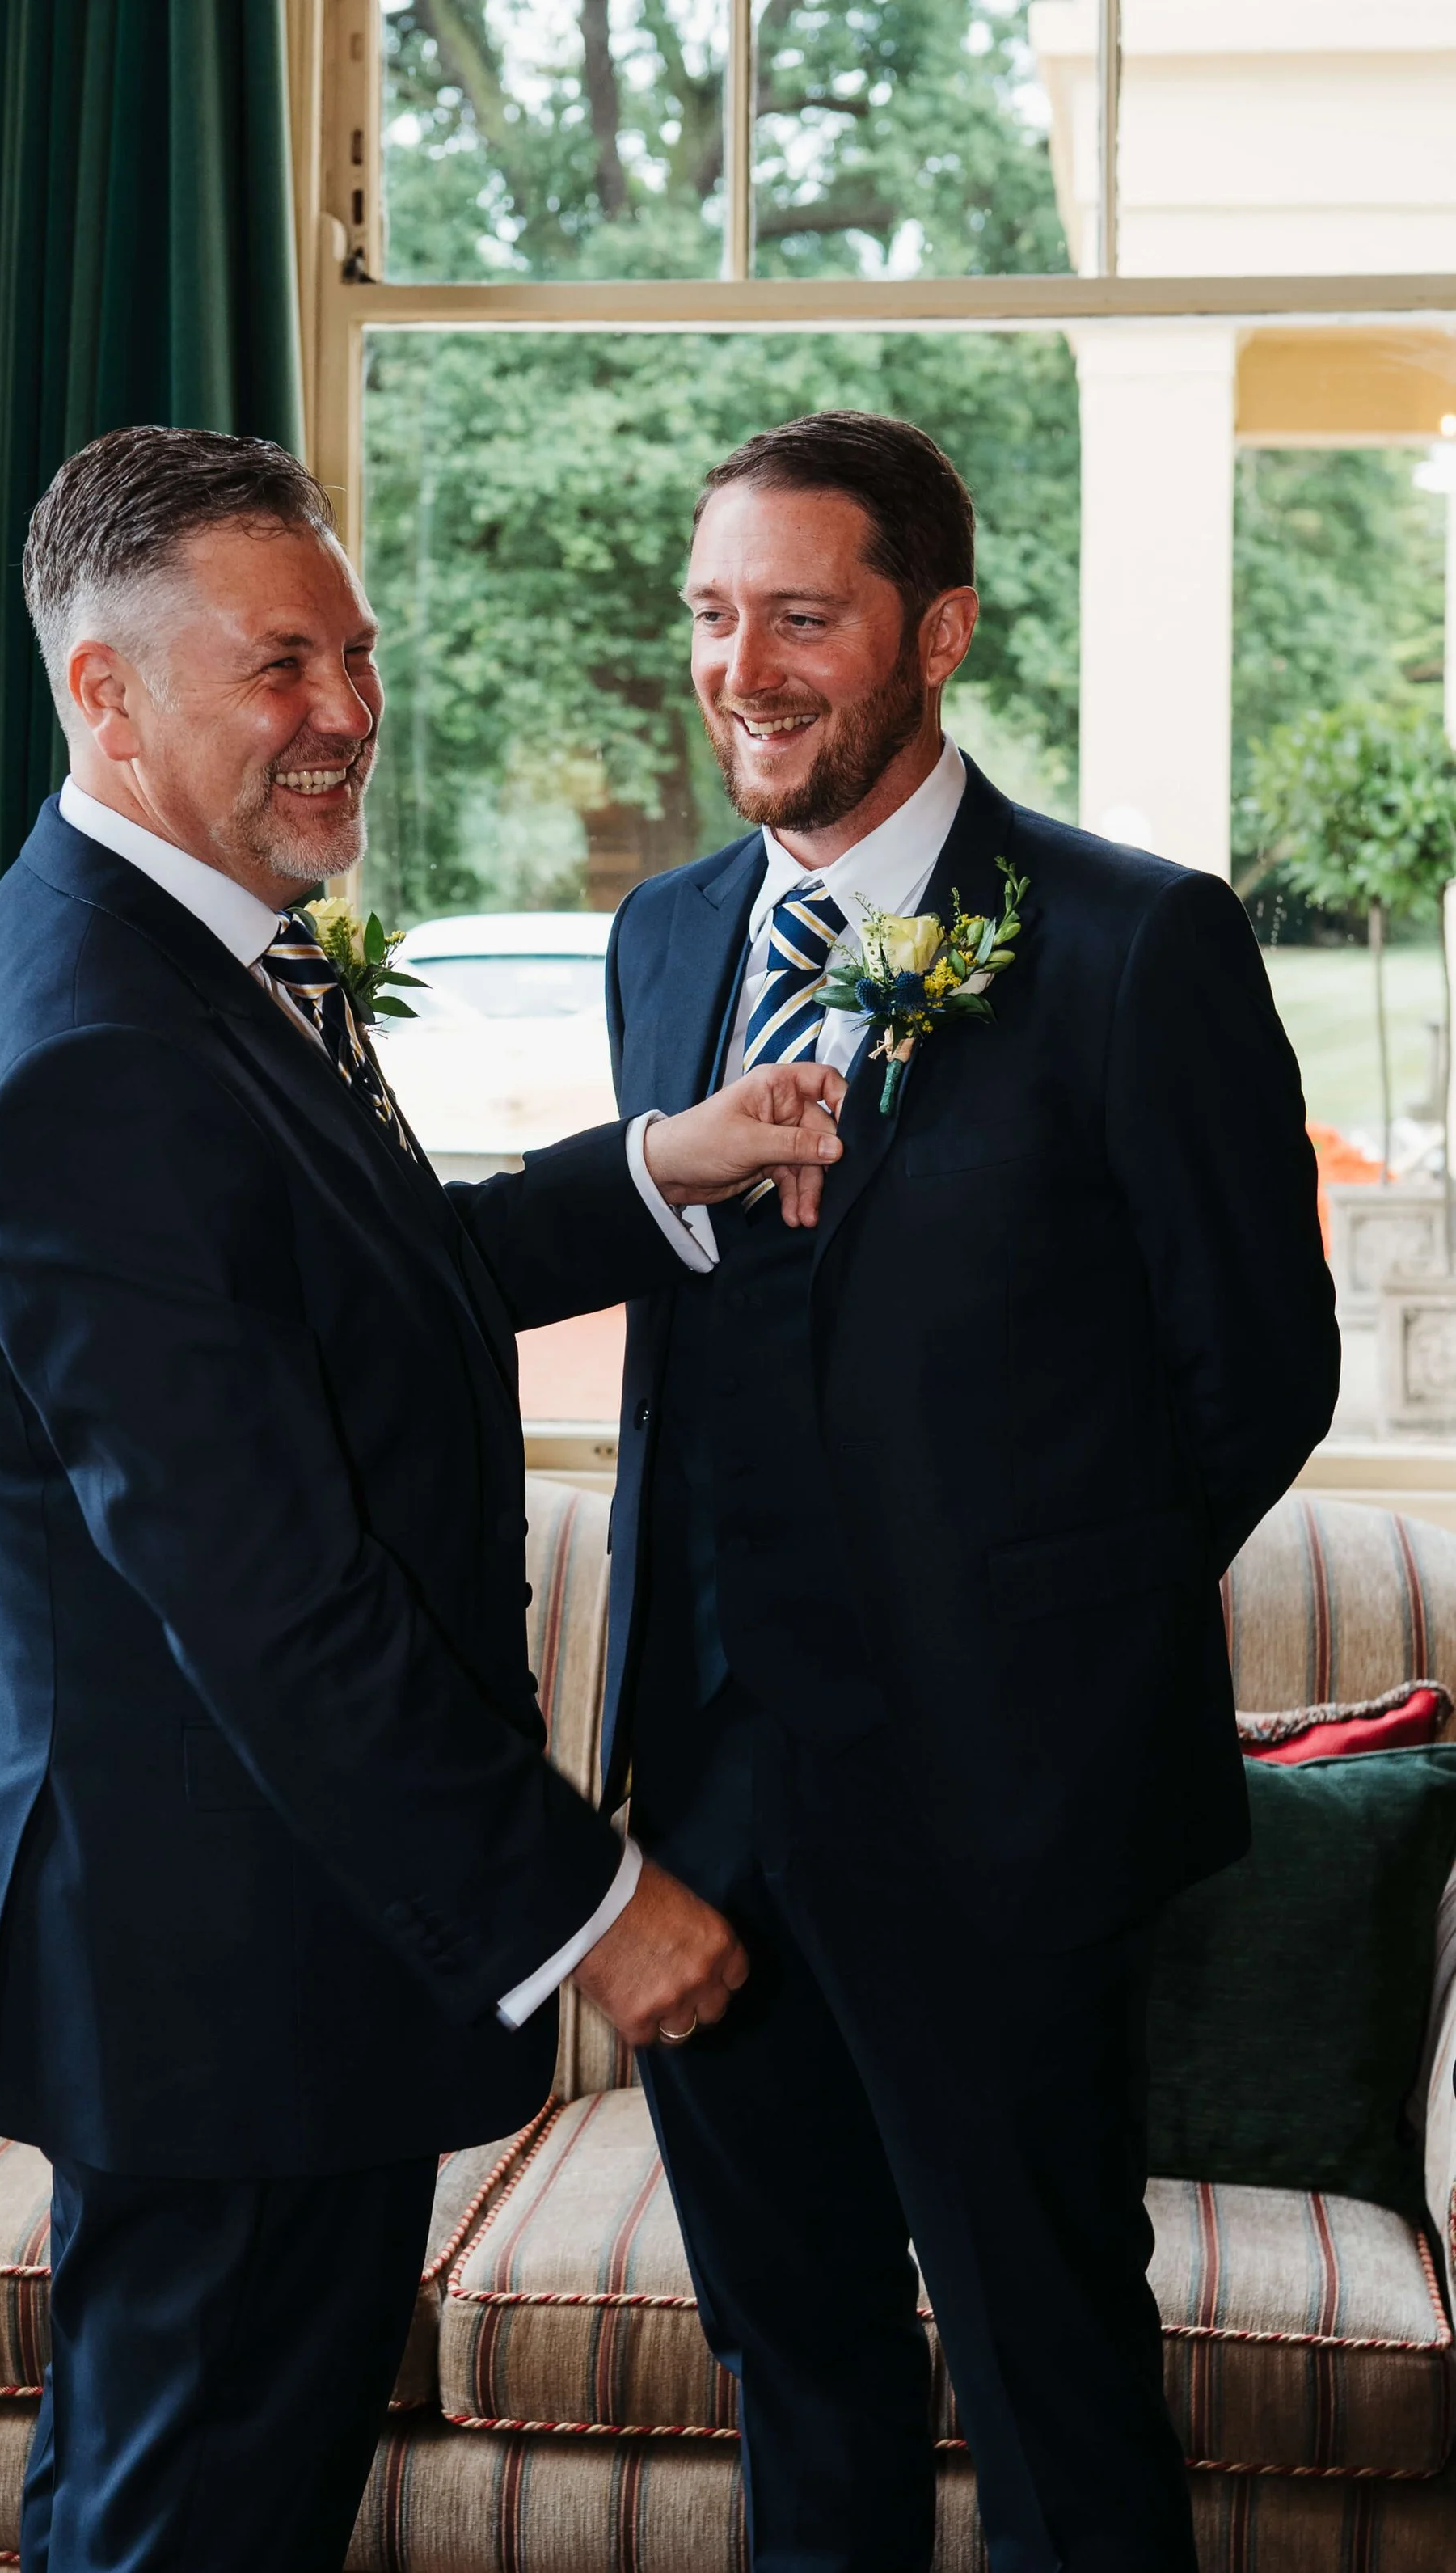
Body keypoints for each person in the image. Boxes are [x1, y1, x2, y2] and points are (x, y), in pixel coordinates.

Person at [0, 425, 844, 2573]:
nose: (341, 711)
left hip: (244, 1936)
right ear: (103, 695)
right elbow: (267, 1595)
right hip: (209, 1950)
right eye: (274, 666)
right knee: (195, 2515)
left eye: (352, 651)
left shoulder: (195, 957)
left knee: (176, 2494)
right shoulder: (94, 1054)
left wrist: (649, 1168)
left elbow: (354, 1298)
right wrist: (587, 1902)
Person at [601, 409, 1340, 2573]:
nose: (742, 663)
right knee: (793, 2367)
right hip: (713, 1814)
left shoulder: (1134, 948)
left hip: (1004, 1821)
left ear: (934, 630)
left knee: (1051, 2385)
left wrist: (1018, 1639)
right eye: (714, 614)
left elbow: (1258, 1369)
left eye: (799, 614)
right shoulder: (661, 941)